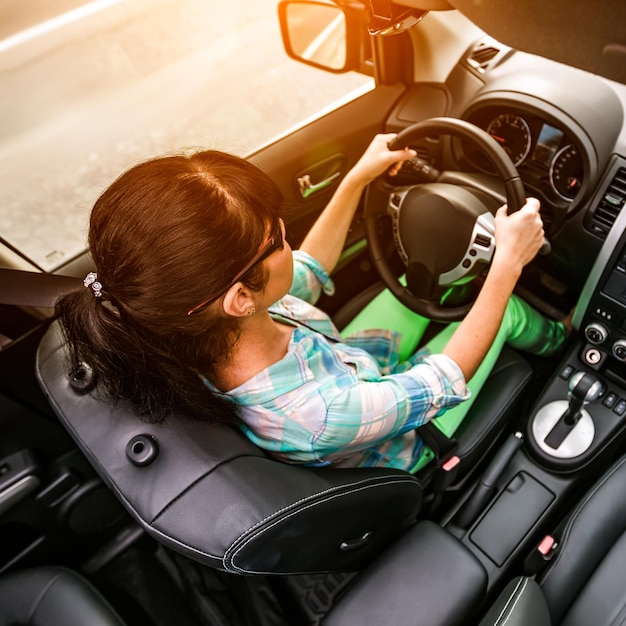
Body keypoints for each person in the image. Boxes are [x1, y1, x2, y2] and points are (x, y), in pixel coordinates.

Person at [56, 134, 567, 472]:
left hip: (353, 368)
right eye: (277, 240)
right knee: (508, 311)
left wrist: (357, 178)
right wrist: (507, 264)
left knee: (418, 294)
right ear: (239, 298)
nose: (287, 237)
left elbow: (312, 271)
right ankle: (565, 335)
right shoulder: (316, 416)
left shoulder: (198, 322)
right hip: (402, 438)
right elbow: (443, 380)